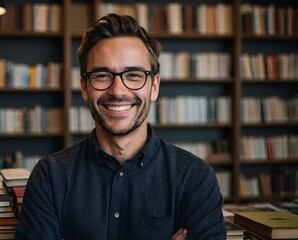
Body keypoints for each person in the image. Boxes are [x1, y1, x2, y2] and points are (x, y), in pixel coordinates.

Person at [16, 13, 226, 239]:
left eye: (134, 75)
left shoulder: (194, 178)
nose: (117, 91)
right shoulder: (50, 177)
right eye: (102, 75)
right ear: (85, 88)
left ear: (154, 86)